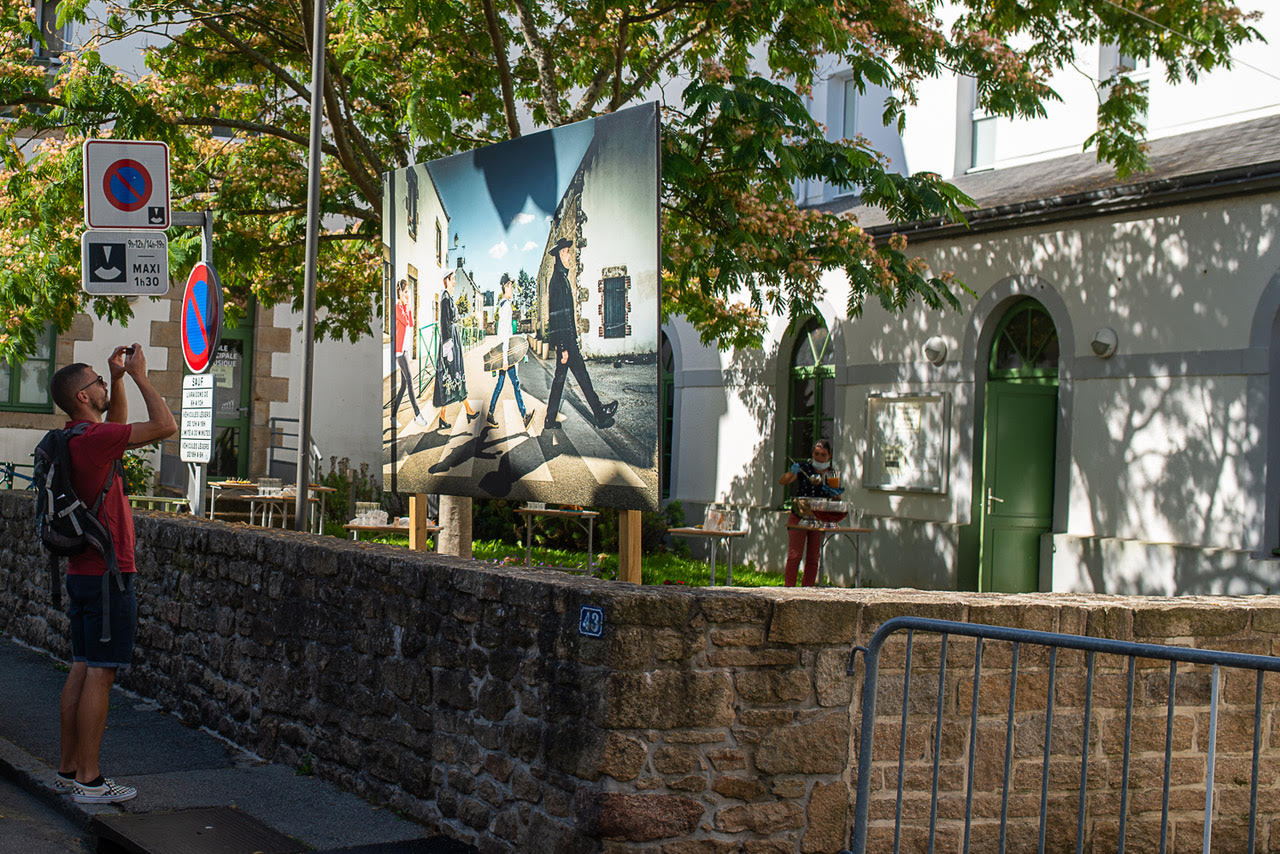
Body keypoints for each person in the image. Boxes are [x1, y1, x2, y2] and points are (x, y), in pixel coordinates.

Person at [48, 345, 177, 804]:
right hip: (108, 575)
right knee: (101, 673)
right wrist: (142, 376)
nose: (104, 387)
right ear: (83, 396)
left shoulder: (77, 437)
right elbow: (166, 426)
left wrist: (117, 379)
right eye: (98, 384)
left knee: (82, 667)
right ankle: (90, 780)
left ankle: (67, 770)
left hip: (84, 572)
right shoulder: (94, 440)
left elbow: (116, 427)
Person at [543, 237, 617, 430]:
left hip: (567, 341)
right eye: (567, 252)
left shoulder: (562, 278)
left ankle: (552, 419)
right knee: (573, 379)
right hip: (566, 342)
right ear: (560, 254)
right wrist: (564, 347)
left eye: (569, 251)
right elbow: (557, 315)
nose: (569, 255)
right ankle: (599, 414)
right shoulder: (558, 281)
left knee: (569, 379)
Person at [779, 438, 843, 587]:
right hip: (799, 515)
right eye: (817, 454)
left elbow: (836, 498)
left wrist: (835, 493)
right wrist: (791, 472)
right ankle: (789, 589)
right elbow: (783, 481)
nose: (819, 458)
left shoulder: (832, 473)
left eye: (823, 455)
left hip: (820, 517)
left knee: (813, 557)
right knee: (795, 555)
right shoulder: (804, 468)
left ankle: (807, 589)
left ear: (829, 456)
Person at [487, 273, 535, 431]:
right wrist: (506, 357)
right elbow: (504, 334)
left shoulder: (502, 305)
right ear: (506, 286)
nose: (513, 289)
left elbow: (502, 333)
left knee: (501, 384)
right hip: (506, 354)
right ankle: (524, 416)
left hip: (504, 351)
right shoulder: (506, 307)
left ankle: (491, 413)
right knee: (514, 383)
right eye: (511, 286)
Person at [433, 269, 478, 429]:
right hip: (450, 344)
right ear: (446, 280)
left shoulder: (448, 298)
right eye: (453, 279)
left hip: (453, 342)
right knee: (453, 376)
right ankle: (469, 410)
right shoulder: (445, 299)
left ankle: (445, 416)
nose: (454, 282)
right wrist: (448, 349)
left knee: (452, 378)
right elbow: (444, 325)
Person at [392, 279, 428, 428]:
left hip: (405, 350)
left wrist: (408, 305)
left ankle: (393, 417)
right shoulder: (397, 308)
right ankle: (417, 414)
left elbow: (412, 322)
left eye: (408, 292)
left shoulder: (405, 307)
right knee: (411, 382)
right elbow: (406, 322)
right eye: (406, 291)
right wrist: (406, 304)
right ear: (399, 292)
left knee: (403, 386)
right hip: (400, 352)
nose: (408, 294)